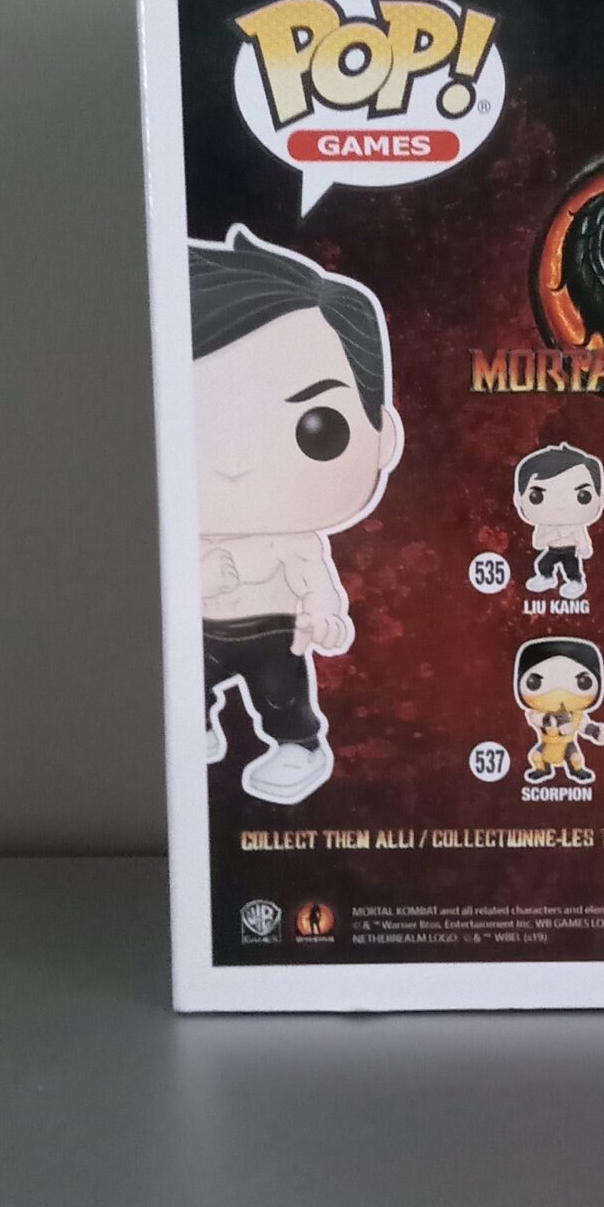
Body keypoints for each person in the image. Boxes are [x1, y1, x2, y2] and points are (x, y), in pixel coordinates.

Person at [190, 226, 402, 806]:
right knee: (189, 682)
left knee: (281, 692)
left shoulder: (295, 539)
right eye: (194, 429)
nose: (234, 463)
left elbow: (314, 578)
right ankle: (193, 725)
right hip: (199, 629)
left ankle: (298, 745)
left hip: (275, 629)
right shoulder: (184, 534)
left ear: (382, 438)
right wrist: (197, 580)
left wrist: (325, 612)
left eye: (319, 428)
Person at [514, 443, 604, 595]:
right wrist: (554, 535)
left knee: (572, 568)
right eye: (537, 496)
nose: (560, 506)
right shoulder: (545, 525)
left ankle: (575, 582)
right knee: (543, 564)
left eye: (583, 496)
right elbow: (538, 543)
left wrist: (584, 548)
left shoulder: (575, 526)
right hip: (552, 550)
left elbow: (582, 538)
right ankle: (546, 577)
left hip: (570, 551)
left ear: (601, 499)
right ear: (519, 500)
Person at [514, 638, 604, 786]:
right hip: (547, 744)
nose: (559, 692)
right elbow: (536, 719)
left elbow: (584, 726)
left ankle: (577, 771)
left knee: (575, 758)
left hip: (567, 745)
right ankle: (542, 770)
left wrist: (596, 732)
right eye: (535, 682)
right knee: (536, 756)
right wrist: (549, 720)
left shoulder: (576, 716)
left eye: (583, 682)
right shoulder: (538, 714)